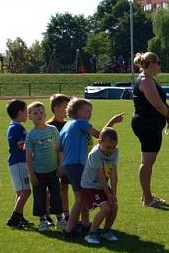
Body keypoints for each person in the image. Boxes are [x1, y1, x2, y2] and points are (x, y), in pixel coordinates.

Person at [59, 98, 123, 237]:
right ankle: (69, 230)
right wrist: (112, 122)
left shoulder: (67, 125)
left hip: (67, 165)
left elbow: (57, 147)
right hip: (76, 165)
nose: (90, 114)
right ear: (77, 111)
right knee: (80, 199)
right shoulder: (80, 123)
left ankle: (85, 224)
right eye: (87, 111)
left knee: (81, 196)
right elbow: (101, 136)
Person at [130, 52, 169, 207]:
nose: (160, 65)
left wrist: (168, 110)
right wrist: (168, 114)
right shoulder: (146, 81)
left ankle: (146, 196)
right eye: (159, 62)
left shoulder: (148, 80)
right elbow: (157, 104)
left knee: (148, 161)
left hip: (149, 124)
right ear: (151, 63)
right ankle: (148, 199)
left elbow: (160, 102)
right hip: (147, 124)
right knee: (147, 162)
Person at [25, 102, 63, 232]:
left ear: (46, 114)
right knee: (39, 197)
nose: (39, 115)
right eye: (35, 113)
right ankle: (42, 221)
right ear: (29, 116)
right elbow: (29, 156)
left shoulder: (53, 130)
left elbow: (59, 149)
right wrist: (31, 173)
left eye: (41, 112)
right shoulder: (30, 135)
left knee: (56, 195)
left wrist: (60, 166)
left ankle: (60, 218)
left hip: (53, 170)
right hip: (38, 172)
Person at [79, 127, 120, 244]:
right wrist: (108, 194)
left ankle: (106, 231)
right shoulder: (95, 154)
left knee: (114, 206)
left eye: (113, 147)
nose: (110, 150)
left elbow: (113, 173)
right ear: (99, 142)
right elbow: (101, 177)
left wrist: (114, 194)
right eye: (108, 147)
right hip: (90, 185)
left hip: (102, 186)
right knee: (106, 208)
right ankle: (91, 234)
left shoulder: (115, 151)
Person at [5, 99, 32, 229]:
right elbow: (22, 146)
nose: (27, 114)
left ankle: (19, 217)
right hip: (19, 163)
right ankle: (15, 217)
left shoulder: (14, 127)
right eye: (26, 111)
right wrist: (35, 144)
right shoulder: (17, 128)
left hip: (17, 163)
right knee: (26, 192)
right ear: (20, 112)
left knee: (20, 192)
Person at [46, 94, 71, 222]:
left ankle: (66, 213)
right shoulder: (49, 126)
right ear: (55, 108)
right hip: (51, 163)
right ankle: (47, 213)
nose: (69, 109)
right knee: (51, 189)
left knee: (64, 187)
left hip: (66, 162)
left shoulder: (69, 124)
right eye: (66, 106)